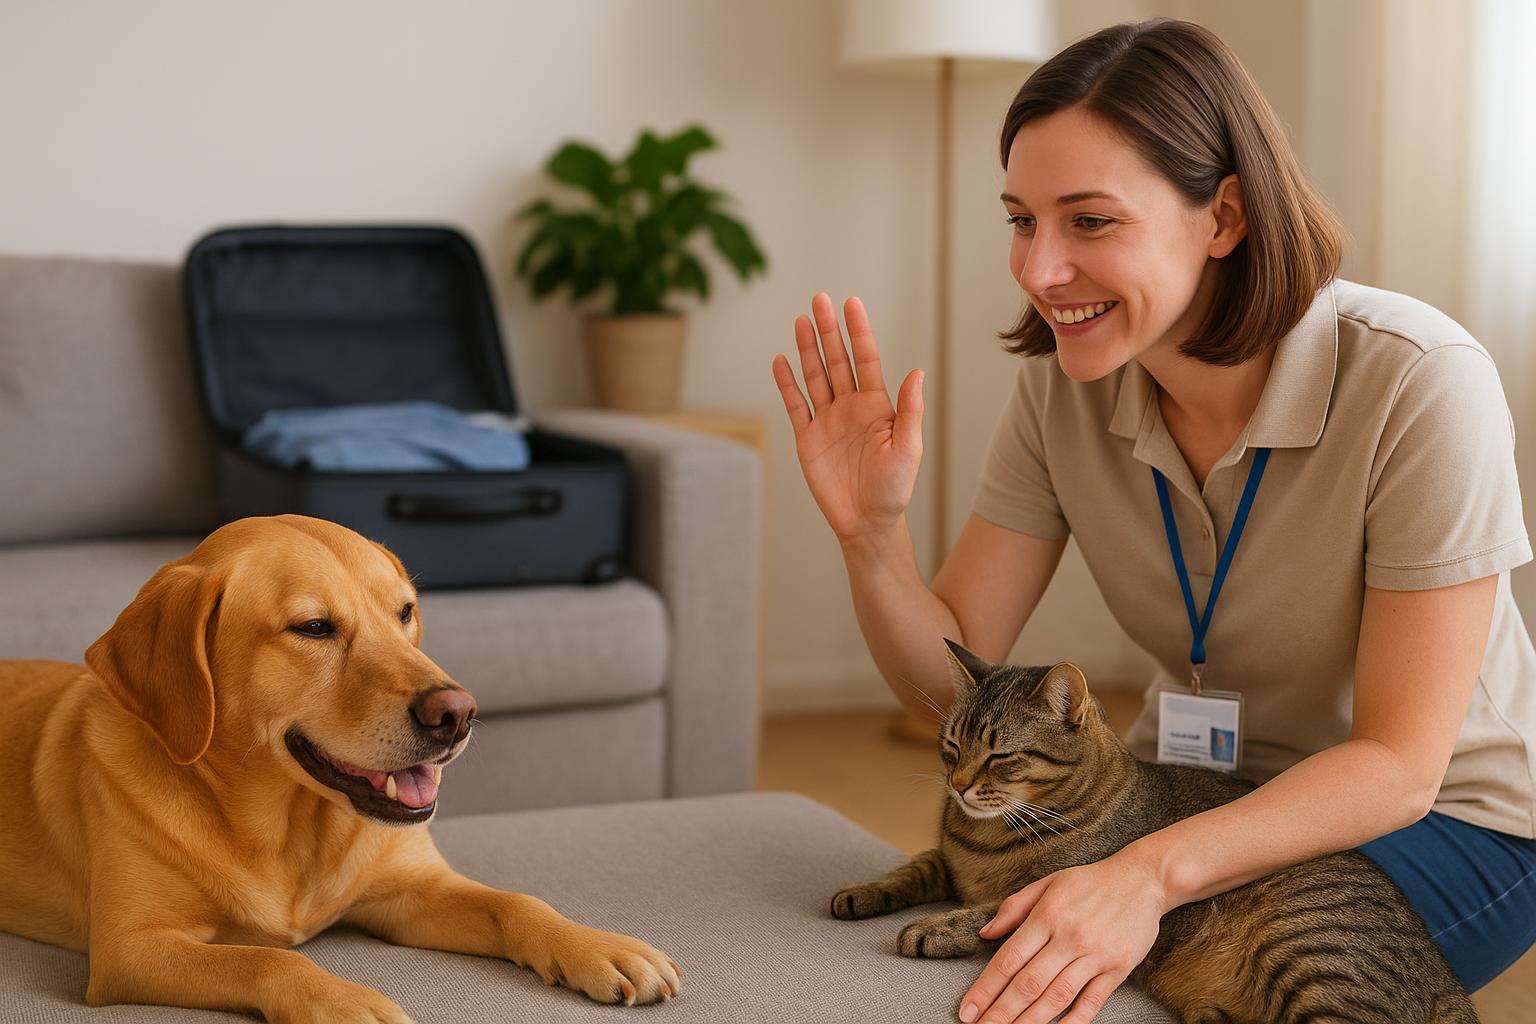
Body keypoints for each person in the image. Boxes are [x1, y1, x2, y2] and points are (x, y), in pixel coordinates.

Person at [771, 18, 1536, 1024]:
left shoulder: (1421, 382)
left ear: (1223, 215)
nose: (1038, 271)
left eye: (1089, 222)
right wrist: (870, 539)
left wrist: (1144, 876)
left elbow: (1396, 766)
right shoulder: (1061, 391)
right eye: (1020, 220)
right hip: (1190, 786)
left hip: (1443, 816)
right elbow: (945, 679)